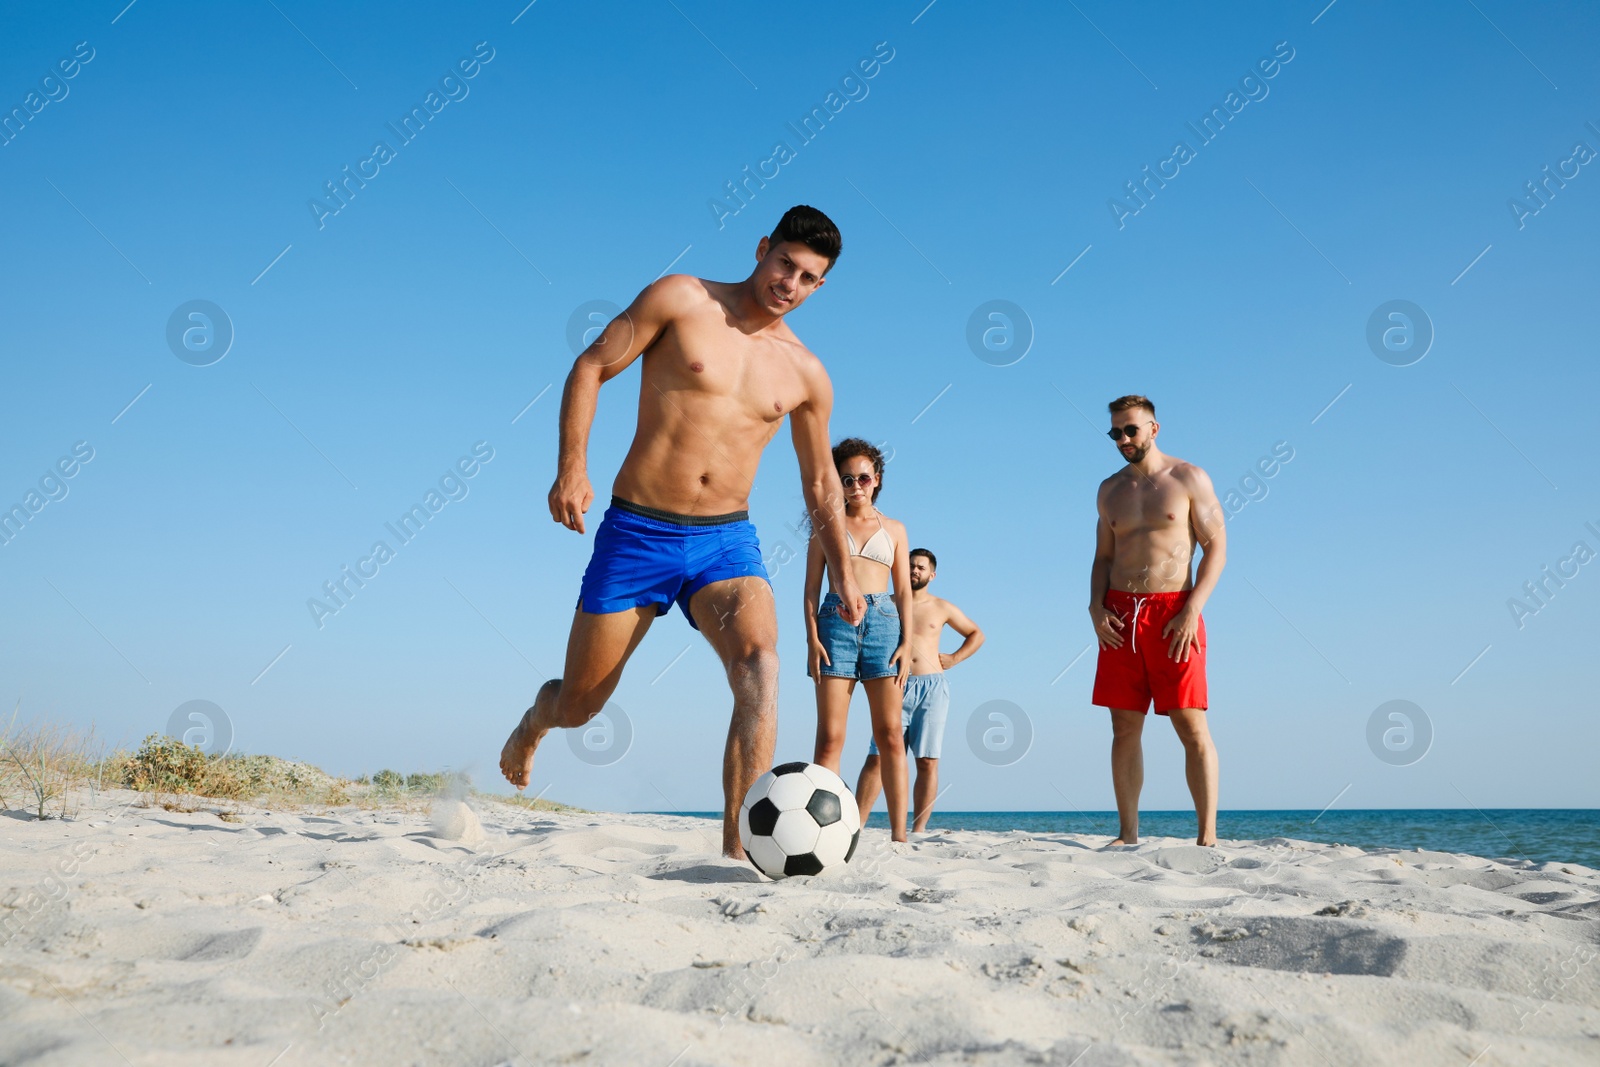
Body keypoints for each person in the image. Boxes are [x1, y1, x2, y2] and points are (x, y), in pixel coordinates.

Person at [498, 206, 866, 860]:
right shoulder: (683, 298)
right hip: (637, 531)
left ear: (820, 287)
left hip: (727, 540)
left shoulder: (807, 373)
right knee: (581, 702)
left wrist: (842, 565)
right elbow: (590, 366)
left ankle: (741, 847)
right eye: (784, 262)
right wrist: (572, 468)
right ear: (762, 248)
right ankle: (535, 721)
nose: (790, 281)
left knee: (761, 666)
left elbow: (820, 484)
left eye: (808, 277)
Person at [1089, 394, 1226, 847]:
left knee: (1190, 724)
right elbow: (1102, 558)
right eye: (1115, 433)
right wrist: (1095, 606)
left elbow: (1217, 548)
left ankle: (1207, 836)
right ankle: (1128, 834)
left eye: (1131, 430)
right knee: (1124, 727)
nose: (1123, 439)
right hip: (1119, 616)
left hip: (1174, 612)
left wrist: (1193, 609)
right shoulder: (1110, 489)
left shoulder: (1189, 478)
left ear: (1154, 428)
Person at [804, 438, 913, 841]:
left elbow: (903, 592)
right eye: (846, 479)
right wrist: (811, 637)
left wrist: (908, 641)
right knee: (830, 736)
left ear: (876, 480)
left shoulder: (896, 529)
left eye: (862, 478)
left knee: (890, 735)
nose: (855, 486)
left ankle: (900, 836)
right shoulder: (824, 527)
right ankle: (823, 831)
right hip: (835, 624)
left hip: (885, 625)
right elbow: (811, 589)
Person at [854, 548, 984, 831]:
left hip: (932, 688)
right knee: (878, 756)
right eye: (910, 565)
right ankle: (857, 825)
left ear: (931, 574)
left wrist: (954, 658)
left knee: (927, 761)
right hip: (893, 684)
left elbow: (977, 634)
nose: (914, 570)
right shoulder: (885, 604)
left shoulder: (942, 607)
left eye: (920, 567)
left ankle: (919, 830)